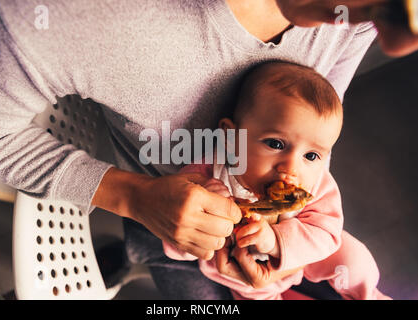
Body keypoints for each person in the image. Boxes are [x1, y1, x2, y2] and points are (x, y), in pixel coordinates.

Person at [0, 0, 416, 299]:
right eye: (391, 8)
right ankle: (127, 256)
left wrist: (281, 246)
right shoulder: (54, 15)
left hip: (291, 250)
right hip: (169, 227)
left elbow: (316, 133)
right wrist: (137, 198)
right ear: (227, 135)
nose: (395, 45)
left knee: (352, 261)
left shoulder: (354, 20)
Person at [163, 61, 390, 300]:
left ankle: (370, 295)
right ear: (231, 138)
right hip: (243, 271)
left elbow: (327, 232)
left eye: (311, 156)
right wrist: (204, 210)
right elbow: (177, 231)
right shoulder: (208, 174)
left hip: (307, 250)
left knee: (353, 258)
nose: (291, 168)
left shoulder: (315, 183)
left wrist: (275, 241)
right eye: (275, 144)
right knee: (254, 294)